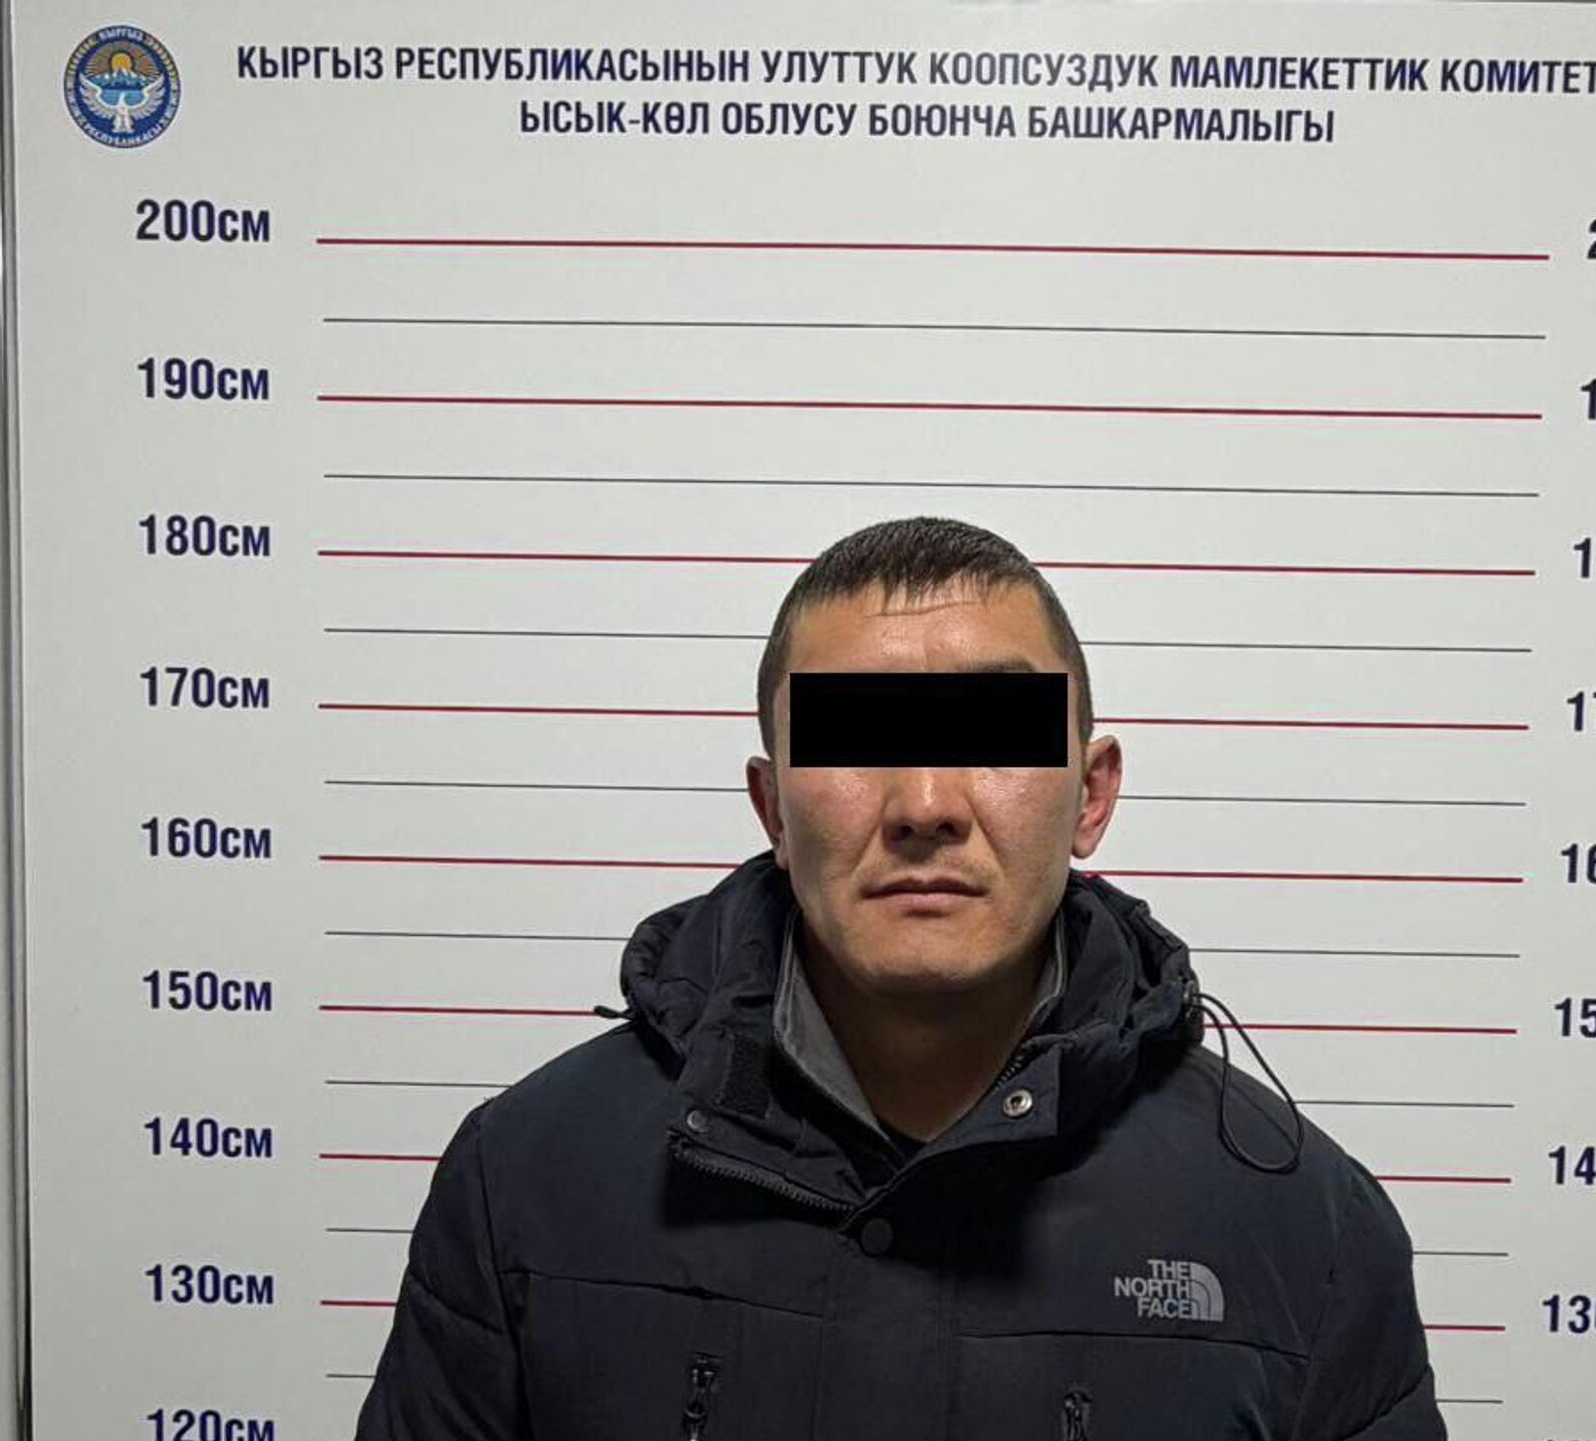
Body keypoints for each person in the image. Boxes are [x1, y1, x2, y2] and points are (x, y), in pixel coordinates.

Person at [354, 516, 1445, 1440]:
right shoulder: (524, 1183)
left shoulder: (1306, 1232)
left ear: (1092, 795)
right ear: (774, 808)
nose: (924, 803)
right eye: (858, 735)